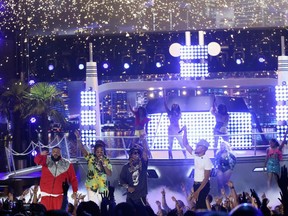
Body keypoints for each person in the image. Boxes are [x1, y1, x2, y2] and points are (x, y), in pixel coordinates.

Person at [75, 130, 112, 206]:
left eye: (101, 151)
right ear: (95, 151)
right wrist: (78, 138)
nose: (99, 153)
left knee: (103, 208)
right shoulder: (90, 157)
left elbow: (109, 174)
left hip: (103, 188)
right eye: (97, 151)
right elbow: (82, 149)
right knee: (93, 207)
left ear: (104, 151)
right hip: (92, 187)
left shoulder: (106, 160)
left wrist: (104, 164)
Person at [34, 146, 78, 211]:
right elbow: (36, 160)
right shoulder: (46, 160)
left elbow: (73, 179)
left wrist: (75, 191)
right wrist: (41, 155)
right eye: (54, 152)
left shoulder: (67, 164)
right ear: (51, 153)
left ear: (60, 153)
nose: (55, 153)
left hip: (60, 197)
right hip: (46, 195)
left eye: (57, 152)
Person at [182, 126, 213, 210]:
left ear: (203, 148)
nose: (195, 147)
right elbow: (185, 144)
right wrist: (185, 131)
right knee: (197, 205)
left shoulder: (207, 160)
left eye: (197, 146)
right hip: (196, 184)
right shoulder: (196, 155)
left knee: (201, 206)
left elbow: (206, 179)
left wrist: (197, 192)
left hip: (203, 185)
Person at [119, 137, 149, 207]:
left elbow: (145, 151)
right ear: (131, 155)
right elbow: (121, 181)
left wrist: (144, 139)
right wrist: (128, 187)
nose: (137, 155)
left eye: (138, 153)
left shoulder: (143, 164)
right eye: (135, 153)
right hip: (130, 197)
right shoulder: (126, 167)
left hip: (141, 196)